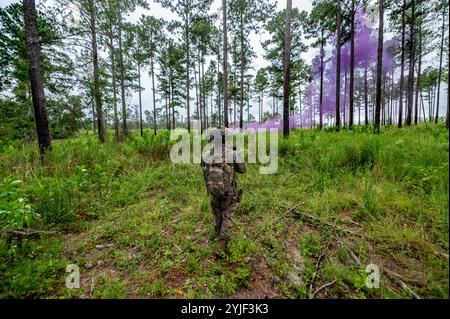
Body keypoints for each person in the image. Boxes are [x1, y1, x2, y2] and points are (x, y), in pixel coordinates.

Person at [201, 127, 246, 253]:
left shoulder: (207, 153)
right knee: (228, 215)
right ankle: (222, 243)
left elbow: (203, 168)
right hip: (229, 191)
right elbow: (242, 170)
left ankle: (217, 232)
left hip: (213, 189)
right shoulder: (232, 153)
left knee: (217, 212)